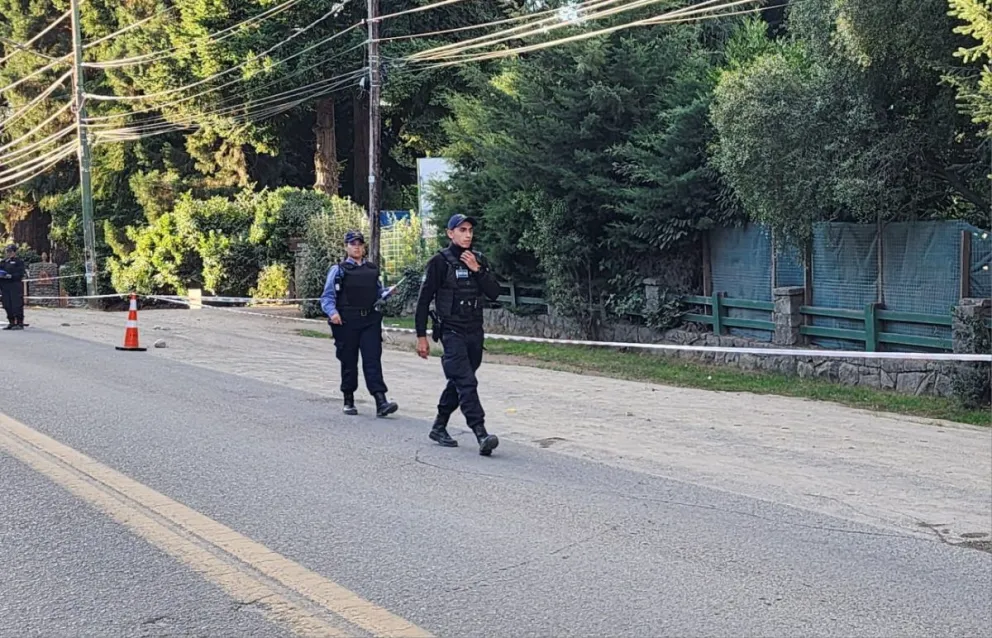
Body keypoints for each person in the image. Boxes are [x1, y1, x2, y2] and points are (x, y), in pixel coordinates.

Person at [414, 214, 503, 456]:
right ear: (450, 233)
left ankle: (439, 426)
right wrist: (421, 336)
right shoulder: (439, 262)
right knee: (466, 382)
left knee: (460, 381)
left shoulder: (478, 260)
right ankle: (481, 433)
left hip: (474, 332)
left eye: (470, 230)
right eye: (462, 230)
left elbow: (495, 292)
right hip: (451, 332)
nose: (467, 234)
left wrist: (477, 270)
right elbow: (423, 302)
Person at [320, 230, 399, 417]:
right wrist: (333, 313)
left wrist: (388, 292)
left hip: (370, 320)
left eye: (359, 244)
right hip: (347, 321)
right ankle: (348, 399)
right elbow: (327, 297)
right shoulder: (338, 270)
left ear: (363, 247)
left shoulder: (371, 269)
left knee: (372, 359)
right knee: (349, 361)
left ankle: (381, 401)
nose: (356, 247)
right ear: (346, 247)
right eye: (352, 244)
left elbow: (377, 293)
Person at [0, 244, 26, 331]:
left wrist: (11, 276)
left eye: (10, 251)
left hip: (15, 286)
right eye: (7, 251)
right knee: (7, 304)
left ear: (14, 252)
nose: (8, 253)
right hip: (5, 286)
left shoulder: (18, 262)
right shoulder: (3, 262)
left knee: (16, 304)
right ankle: (11, 322)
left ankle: (19, 322)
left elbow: (21, 273)